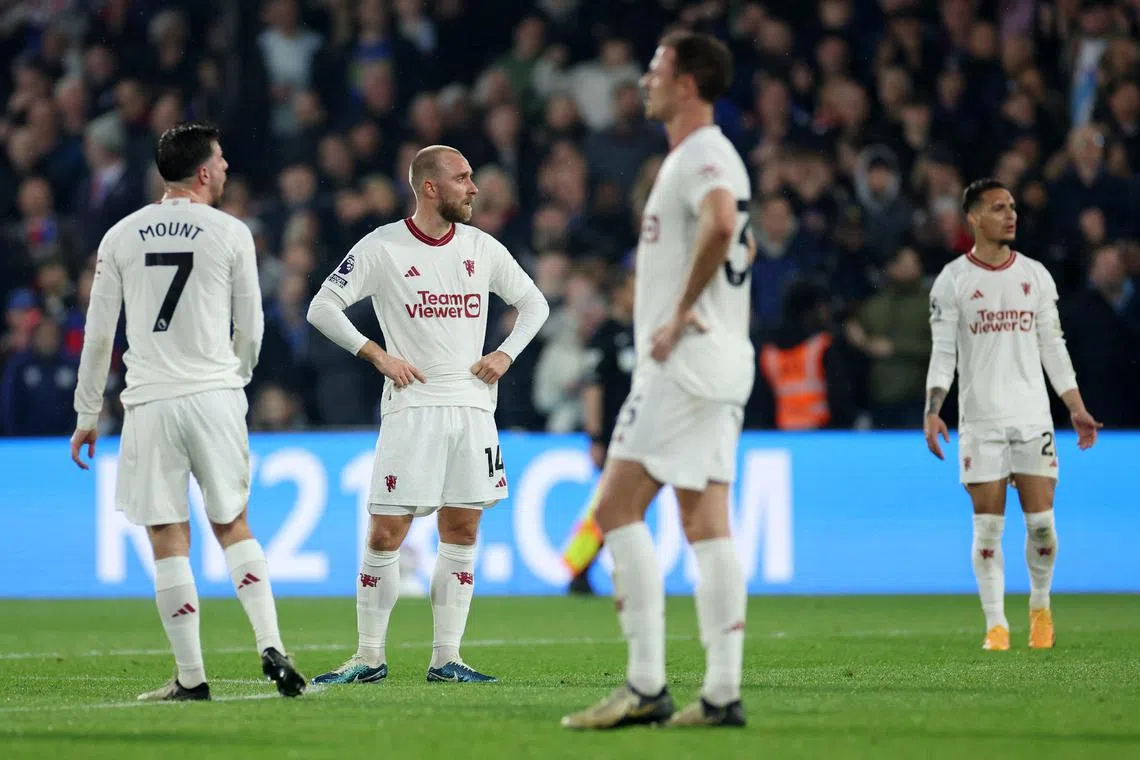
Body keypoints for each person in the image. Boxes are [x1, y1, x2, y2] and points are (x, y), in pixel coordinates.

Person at [70, 123, 306, 701]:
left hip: (151, 400)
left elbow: (98, 336)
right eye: (220, 160)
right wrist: (234, 377)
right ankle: (270, 641)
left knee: (167, 534)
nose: (225, 168)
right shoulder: (231, 231)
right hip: (213, 395)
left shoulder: (120, 236)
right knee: (233, 523)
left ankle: (192, 677)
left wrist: (86, 413)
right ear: (203, 171)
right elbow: (251, 326)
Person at [562, 31, 754, 730]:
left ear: (687, 84)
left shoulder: (702, 153)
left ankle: (645, 684)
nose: (645, 80)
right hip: (721, 360)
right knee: (706, 522)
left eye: (655, 69)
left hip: (684, 364)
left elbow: (722, 224)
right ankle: (722, 693)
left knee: (615, 508)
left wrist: (679, 312)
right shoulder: (706, 155)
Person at [306, 145, 549, 685]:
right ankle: (368, 656)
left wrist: (505, 354)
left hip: (472, 408)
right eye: (463, 178)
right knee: (386, 533)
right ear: (430, 188)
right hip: (413, 407)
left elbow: (536, 303)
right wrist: (377, 355)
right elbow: (321, 307)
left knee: (462, 529)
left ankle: (446, 658)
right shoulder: (383, 246)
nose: (474, 188)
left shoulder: (482, 247)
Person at [923, 178, 1102, 652]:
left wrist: (1076, 406)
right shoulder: (952, 281)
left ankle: (1040, 608)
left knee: (1042, 524)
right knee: (988, 528)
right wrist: (933, 409)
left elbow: (1052, 346)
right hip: (980, 421)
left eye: (1012, 207)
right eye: (999, 208)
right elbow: (943, 354)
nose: (1011, 215)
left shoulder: (1036, 275)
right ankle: (996, 625)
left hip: (1031, 417)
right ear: (974, 219)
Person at [562, 263, 636, 595]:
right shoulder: (606, 335)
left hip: (642, 433)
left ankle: (585, 567)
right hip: (615, 436)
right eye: (634, 288)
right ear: (619, 293)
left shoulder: (644, 330)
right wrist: (595, 436)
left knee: (621, 504)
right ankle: (581, 566)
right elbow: (593, 388)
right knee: (613, 504)